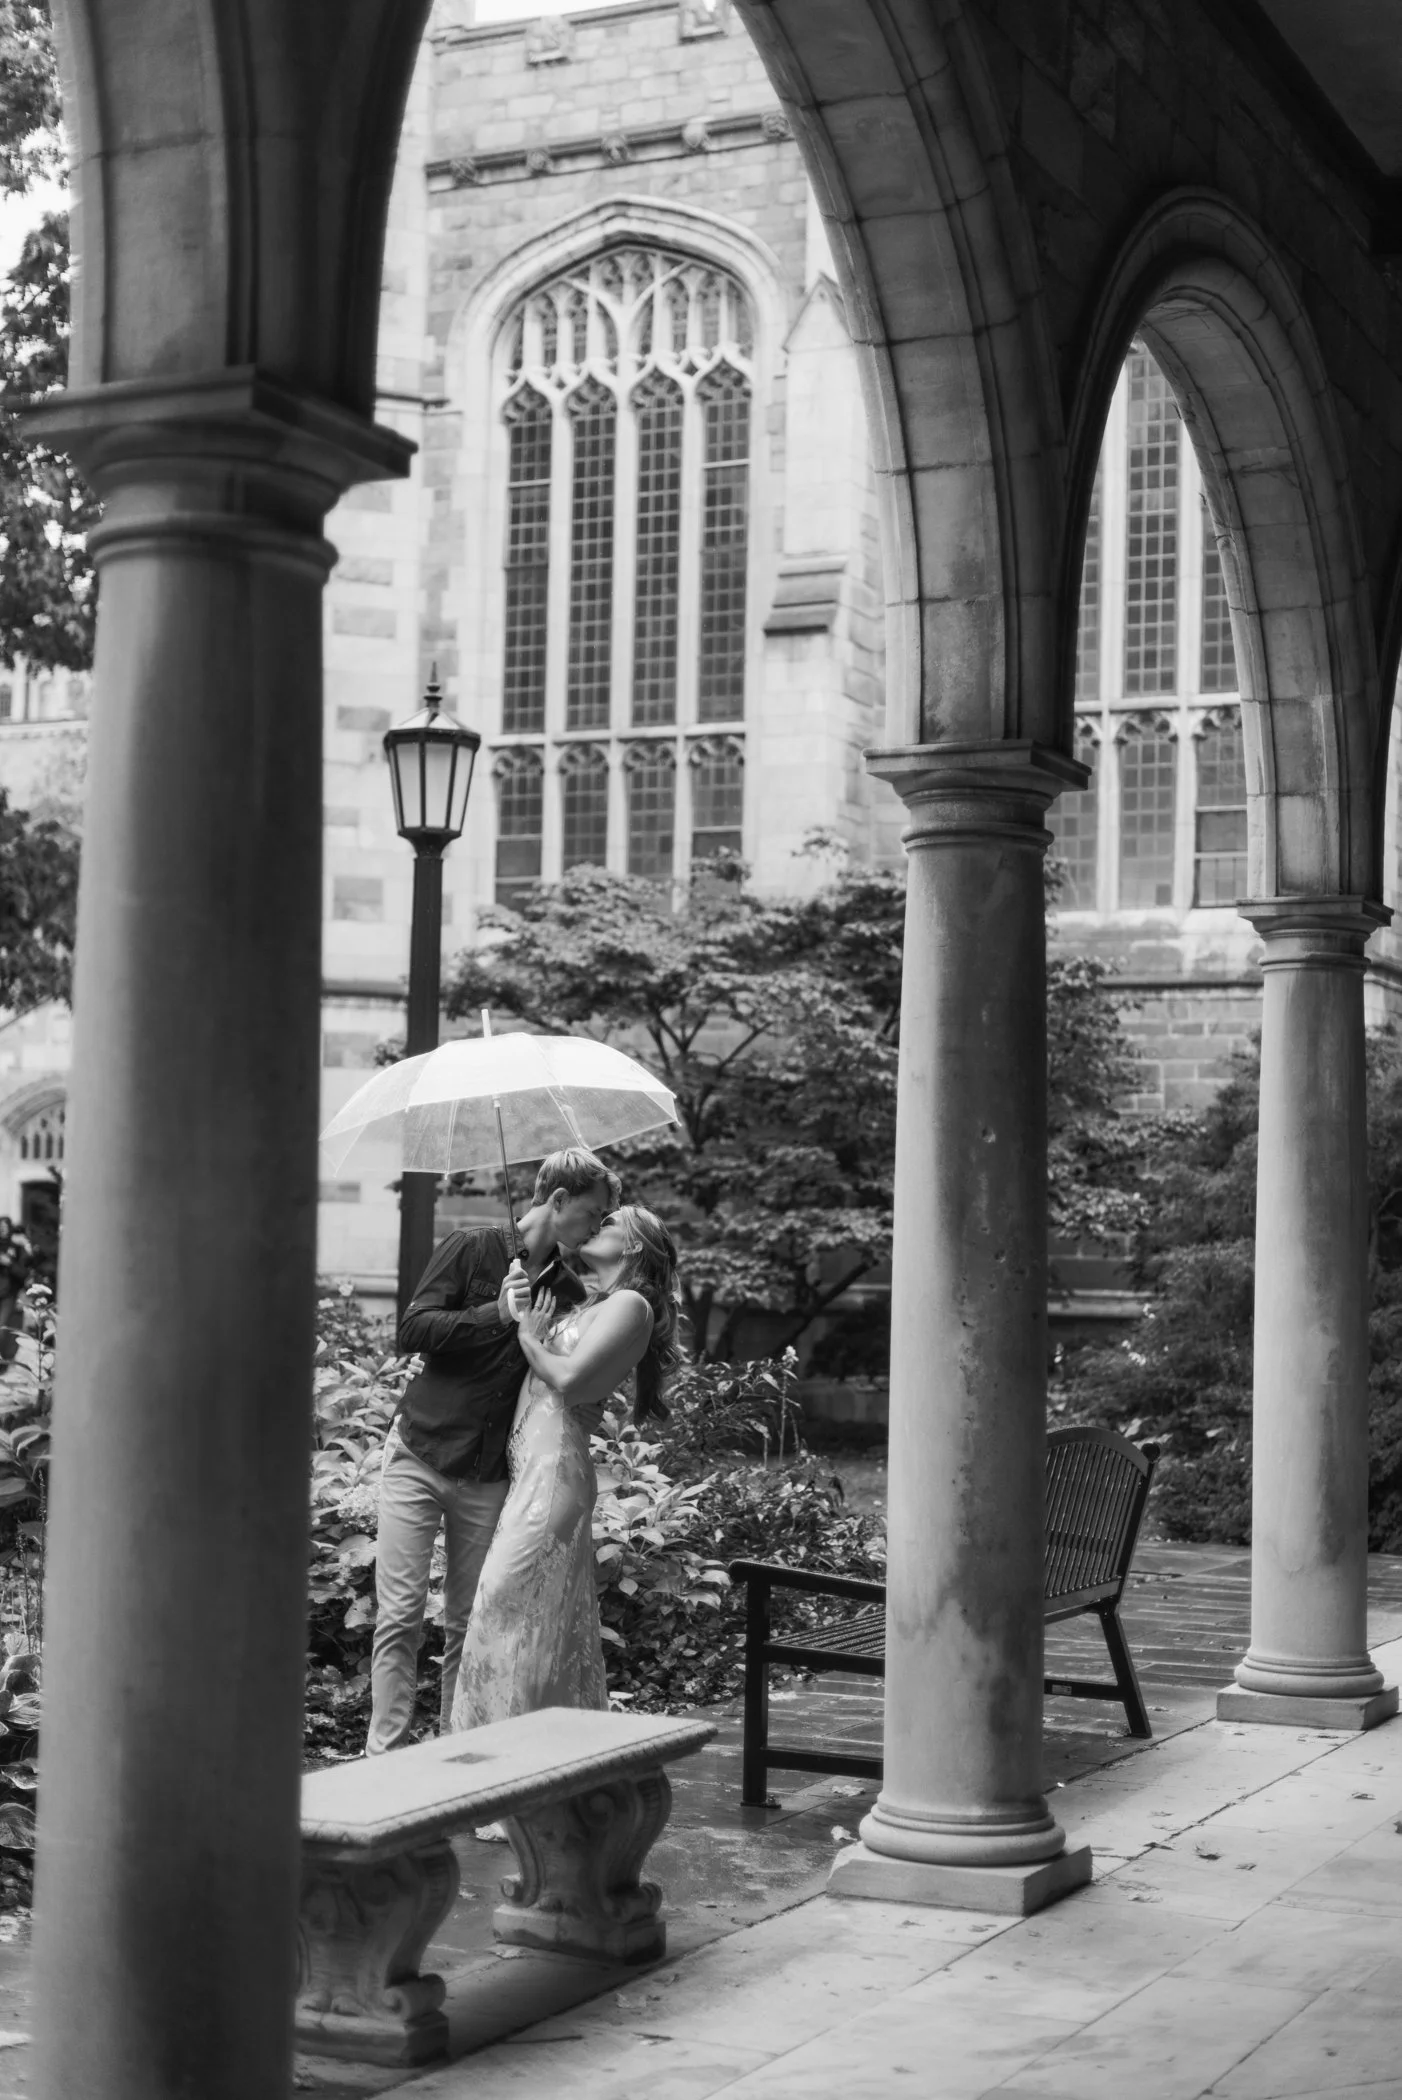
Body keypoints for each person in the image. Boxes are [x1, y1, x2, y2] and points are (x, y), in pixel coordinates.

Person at [366, 1147, 621, 1755]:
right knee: (399, 1616)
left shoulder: (567, 1290)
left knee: (468, 1623)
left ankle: (456, 1758)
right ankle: (382, 1759)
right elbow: (413, 1329)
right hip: (419, 1454)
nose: (595, 1227)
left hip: (486, 1475)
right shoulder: (472, 1247)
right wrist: (494, 1312)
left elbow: (560, 1374)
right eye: (591, 1213)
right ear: (558, 1200)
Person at [450, 1203, 681, 1731]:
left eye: (609, 1222)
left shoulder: (631, 1304)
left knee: (507, 1609)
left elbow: (571, 1381)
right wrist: (516, 1309)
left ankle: (509, 1750)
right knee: (531, 1617)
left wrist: (530, 1337)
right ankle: (531, 1750)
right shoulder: (594, 1303)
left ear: (633, 1245)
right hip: (530, 1472)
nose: (595, 1224)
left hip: (554, 1473)